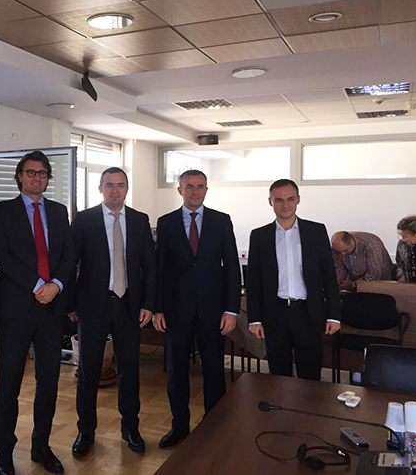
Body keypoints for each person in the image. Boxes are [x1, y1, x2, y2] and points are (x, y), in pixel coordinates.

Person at [0, 151, 75, 475]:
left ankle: (41, 445)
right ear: (20, 176)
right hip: (15, 310)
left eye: (42, 173)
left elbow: (68, 255)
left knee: (49, 382)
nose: (36, 178)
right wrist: (39, 284)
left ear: (47, 178)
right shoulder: (3, 210)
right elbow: (1, 256)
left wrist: (56, 284)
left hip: (51, 310)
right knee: (9, 384)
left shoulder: (58, 211)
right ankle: (4, 453)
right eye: (30, 172)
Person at [68, 167, 156, 458]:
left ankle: (130, 428)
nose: (115, 190)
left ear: (127, 189)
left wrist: (148, 303)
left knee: (129, 370)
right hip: (93, 305)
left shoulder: (140, 220)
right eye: (109, 185)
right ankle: (86, 431)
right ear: (100, 188)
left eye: (120, 185)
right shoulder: (84, 220)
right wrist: (71, 305)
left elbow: (149, 265)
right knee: (88, 371)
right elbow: (70, 262)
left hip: (129, 305)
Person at [153, 169, 241, 448]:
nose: (195, 191)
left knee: (214, 371)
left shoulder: (221, 221)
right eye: (189, 186)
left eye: (200, 186)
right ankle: (179, 427)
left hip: (212, 312)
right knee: (177, 373)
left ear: (206, 189)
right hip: (176, 311)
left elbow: (232, 267)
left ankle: (214, 428)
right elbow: (159, 269)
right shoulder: (166, 223)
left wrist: (232, 310)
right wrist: (157, 309)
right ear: (180, 190)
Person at [246, 179, 341, 381]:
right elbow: (253, 282)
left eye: (290, 199)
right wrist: (254, 319)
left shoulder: (316, 231)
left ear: (298, 199)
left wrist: (334, 315)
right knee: (278, 376)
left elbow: (329, 276)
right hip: (275, 315)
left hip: (308, 314)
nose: (285, 205)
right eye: (279, 200)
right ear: (270, 202)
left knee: (310, 376)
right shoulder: (260, 236)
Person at [396, 215, 416, 283]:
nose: (402, 239)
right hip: (409, 284)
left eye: (405, 236)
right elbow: (400, 264)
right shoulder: (402, 245)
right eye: (401, 236)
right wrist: (401, 277)